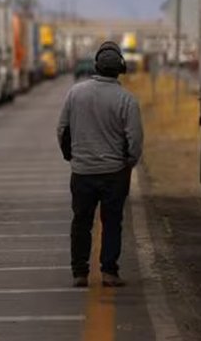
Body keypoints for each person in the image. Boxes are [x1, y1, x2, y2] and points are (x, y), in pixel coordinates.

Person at [57, 41, 143, 288]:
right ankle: (109, 272)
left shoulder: (75, 93)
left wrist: (71, 156)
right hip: (114, 173)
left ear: (96, 66)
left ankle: (80, 272)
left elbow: (62, 129)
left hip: (82, 172)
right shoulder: (127, 100)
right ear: (120, 69)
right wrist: (129, 161)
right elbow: (134, 138)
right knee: (112, 221)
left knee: (81, 221)